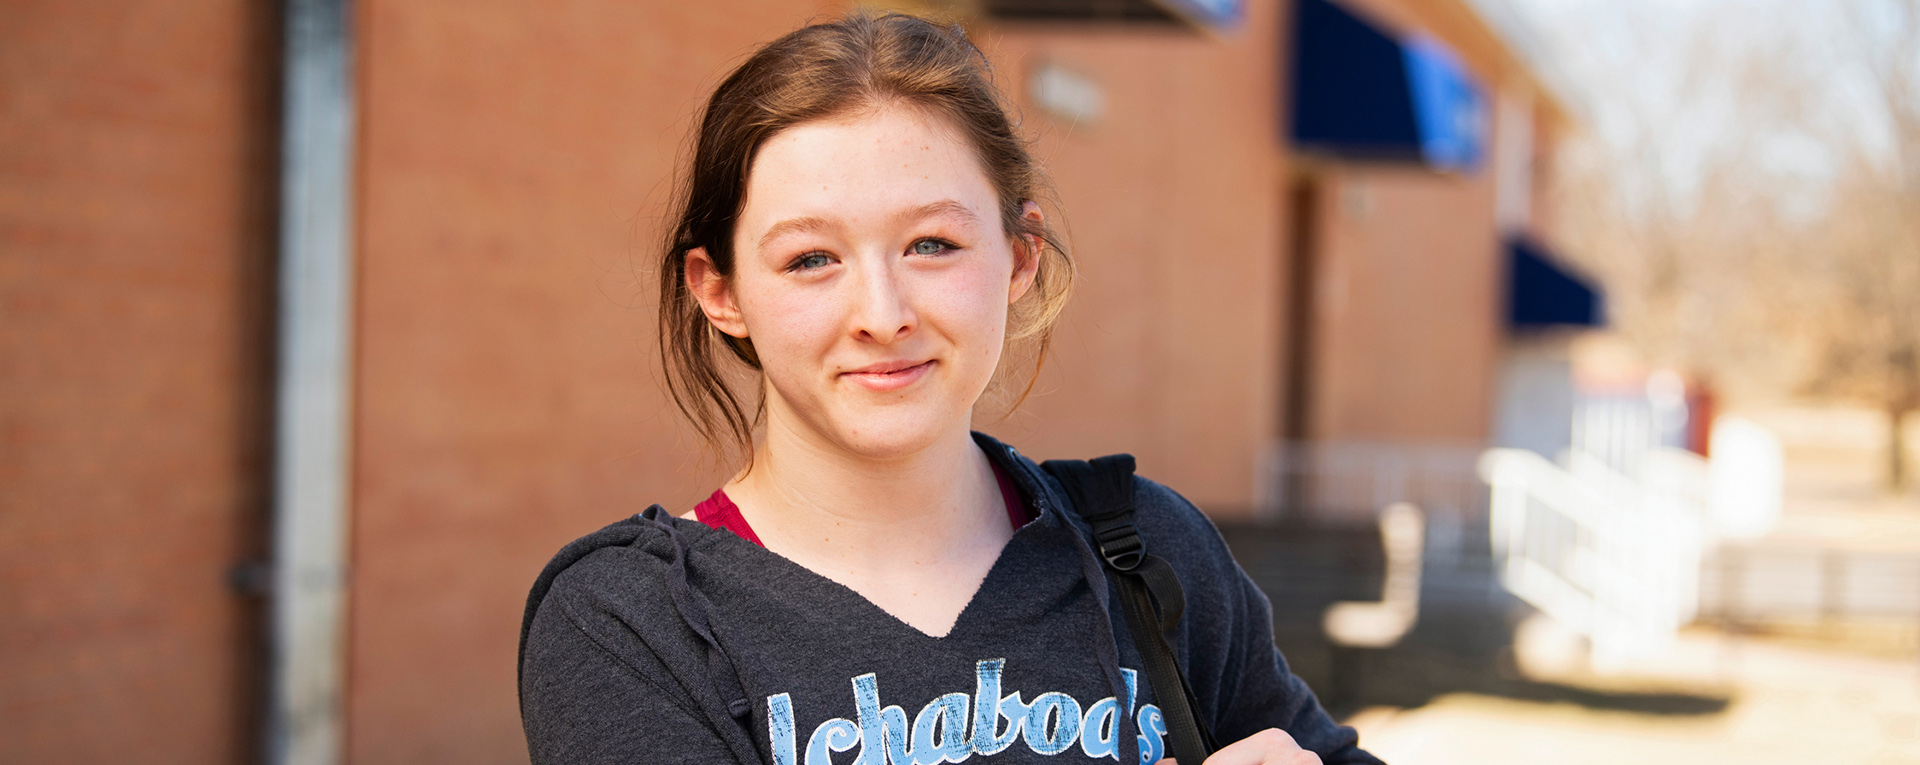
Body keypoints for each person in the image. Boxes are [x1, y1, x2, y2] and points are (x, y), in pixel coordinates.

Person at [518, 11, 1381, 765]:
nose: (882, 313)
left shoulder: (1150, 552)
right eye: (811, 259)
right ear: (722, 291)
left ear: (1019, 255)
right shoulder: (632, 624)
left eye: (931, 243)